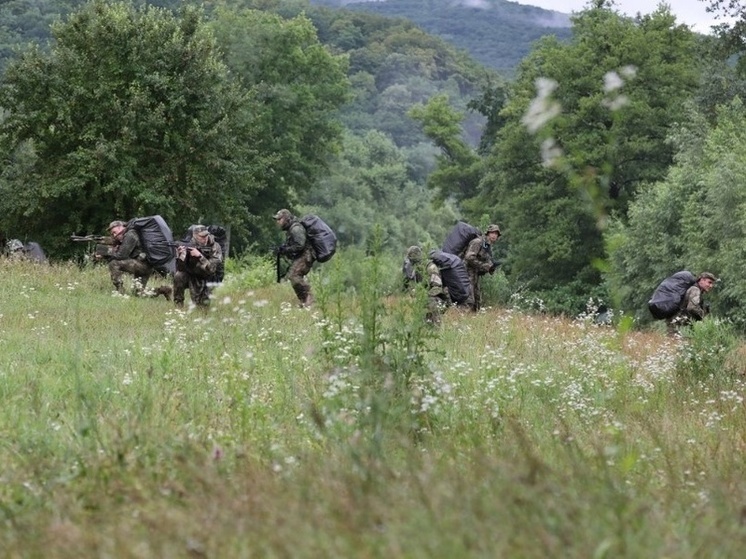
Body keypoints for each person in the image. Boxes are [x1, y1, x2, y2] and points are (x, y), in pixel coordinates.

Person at [172, 225, 223, 308]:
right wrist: (180, 255)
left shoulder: (215, 247)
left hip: (207, 277)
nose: (205, 238)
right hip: (192, 275)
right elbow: (180, 268)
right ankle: (178, 306)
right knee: (179, 275)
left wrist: (199, 256)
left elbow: (211, 269)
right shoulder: (189, 244)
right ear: (195, 236)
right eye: (202, 236)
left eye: (206, 235)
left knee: (202, 308)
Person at [274, 208, 316, 307]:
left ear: (286, 219)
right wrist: (282, 249)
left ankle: (310, 300)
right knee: (293, 276)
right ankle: (304, 301)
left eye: (279, 219)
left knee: (294, 276)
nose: (278, 222)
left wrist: (285, 250)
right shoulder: (290, 229)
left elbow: (300, 245)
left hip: (306, 255)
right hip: (303, 255)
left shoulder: (295, 228)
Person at [402, 245, 449, 325]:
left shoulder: (431, 267)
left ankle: (436, 328)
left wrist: (425, 295)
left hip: (438, 299)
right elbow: (413, 285)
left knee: (431, 303)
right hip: (424, 299)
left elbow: (437, 287)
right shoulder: (416, 270)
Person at [105, 220, 154, 294]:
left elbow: (122, 255)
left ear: (119, 227)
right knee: (138, 294)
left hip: (142, 265)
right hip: (145, 265)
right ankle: (163, 290)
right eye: (112, 234)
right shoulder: (129, 234)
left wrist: (107, 254)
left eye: (114, 232)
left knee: (113, 263)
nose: (114, 235)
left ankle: (120, 291)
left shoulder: (130, 234)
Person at [463, 223, 501, 312]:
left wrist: (490, 267)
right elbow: (469, 257)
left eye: (496, 234)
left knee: (477, 301)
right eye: (492, 233)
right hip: (467, 273)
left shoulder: (487, 246)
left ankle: (474, 320)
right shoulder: (478, 242)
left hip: (475, 274)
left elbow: (486, 260)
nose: (494, 235)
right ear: (488, 233)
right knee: (469, 299)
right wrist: (484, 266)